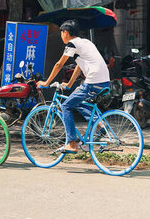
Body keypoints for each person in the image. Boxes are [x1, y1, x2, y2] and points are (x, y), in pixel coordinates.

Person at [37, 20, 110, 154]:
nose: (61, 36)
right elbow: (79, 65)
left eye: (61, 33)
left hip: (93, 81)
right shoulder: (86, 42)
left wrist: (46, 83)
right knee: (76, 100)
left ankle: (71, 143)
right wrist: (70, 84)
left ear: (65, 32)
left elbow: (59, 64)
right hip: (104, 81)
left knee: (65, 106)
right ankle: (100, 127)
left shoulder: (72, 44)